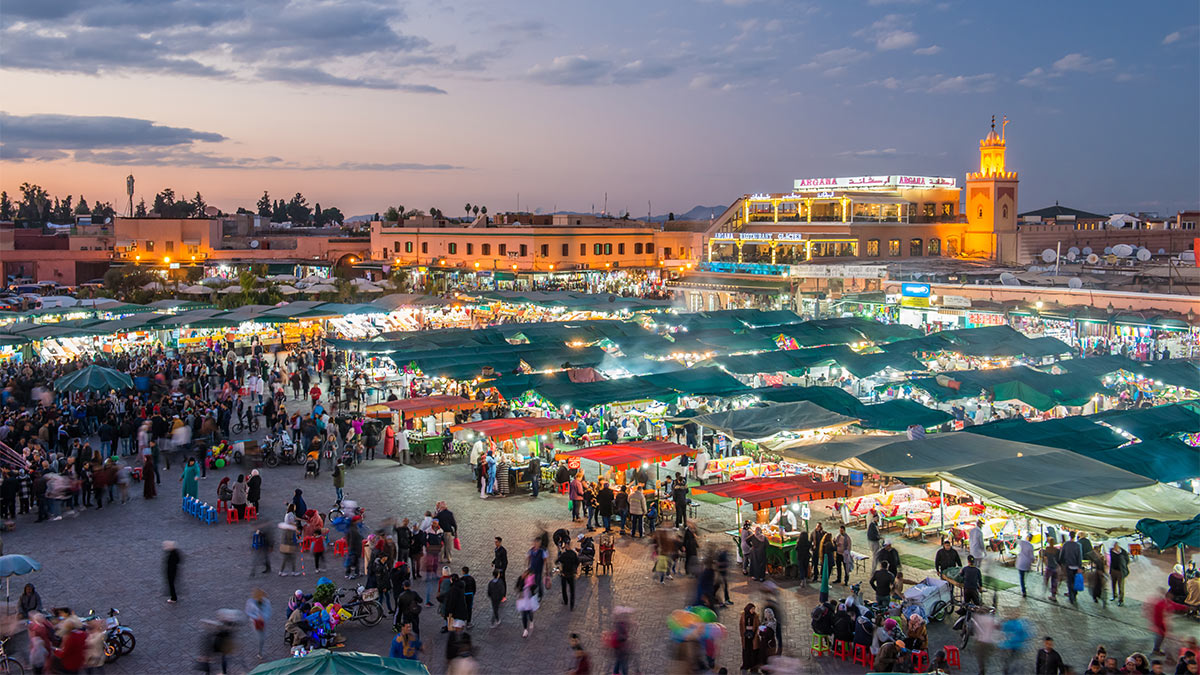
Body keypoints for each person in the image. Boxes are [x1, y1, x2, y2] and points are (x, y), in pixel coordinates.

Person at [245, 589, 271, 659]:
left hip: (263, 622)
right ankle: (260, 652)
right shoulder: (251, 602)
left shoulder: (266, 602)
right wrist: (256, 617)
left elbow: (268, 612)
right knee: (260, 637)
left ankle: (260, 650)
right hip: (255, 622)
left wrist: (263, 617)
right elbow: (248, 612)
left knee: (262, 638)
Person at [1059, 531, 1083, 604]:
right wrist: (1080, 566)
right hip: (1076, 566)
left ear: (1069, 536)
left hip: (1068, 565)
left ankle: (1071, 596)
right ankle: (1074, 595)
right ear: (1075, 536)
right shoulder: (1078, 545)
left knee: (1069, 581)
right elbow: (1080, 556)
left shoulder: (1066, 544)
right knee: (1075, 581)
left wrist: (1061, 563)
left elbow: (1062, 554)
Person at [517, 570, 539, 639]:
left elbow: (535, 588)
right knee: (524, 615)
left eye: (526, 574)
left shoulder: (531, 580)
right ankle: (525, 630)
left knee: (529, 612)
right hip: (523, 600)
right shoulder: (520, 579)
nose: (524, 575)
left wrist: (530, 586)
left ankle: (531, 621)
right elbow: (517, 587)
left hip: (529, 599)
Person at [558, 541, 580, 611]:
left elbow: (558, 561)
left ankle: (565, 601)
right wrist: (575, 568)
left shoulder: (564, 554)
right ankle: (572, 606)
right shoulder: (573, 554)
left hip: (564, 574)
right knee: (572, 590)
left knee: (564, 589)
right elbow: (577, 562)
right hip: (571, 574)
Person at [739, 603, 760, 674]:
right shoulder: (743, 615)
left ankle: (753, 666)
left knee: (753, 651)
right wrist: (742, 634)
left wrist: (756, 635)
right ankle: (745, 665)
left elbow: (758, 626)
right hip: (745, 636)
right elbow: (741, 625)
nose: (753, 610)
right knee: (745, 651)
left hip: (753, 636)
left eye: (754, 609)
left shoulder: (756, 616)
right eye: (752, 609)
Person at [1015, 533, 1035, 598]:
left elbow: (1016, 540)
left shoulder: (1022, 542)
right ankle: (1026, 588)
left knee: (1021, 577)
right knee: (1025, 577)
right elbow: (1032, 557)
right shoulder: (1031, 546)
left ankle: (1023, 590)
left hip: (1021, 563)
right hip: (1027, 563)